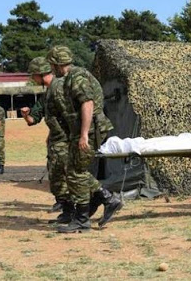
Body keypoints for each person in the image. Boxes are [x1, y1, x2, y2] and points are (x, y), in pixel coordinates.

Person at [46, 46, 122, 233]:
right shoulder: (71, 78)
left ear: (55, 64)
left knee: (75, 172)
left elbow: (87, 103)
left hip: (91, 131)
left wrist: (84, 135)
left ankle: (83, 218)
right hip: (85, 130)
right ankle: (103, 199)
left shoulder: (76, 77)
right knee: (75, 171)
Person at [21, 57, 73, 224]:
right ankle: (66, 210)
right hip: (57, 142)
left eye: (33, 75)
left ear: (39, 74)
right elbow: (32, 120)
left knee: (70, 176)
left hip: (68, 140)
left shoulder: (62, 89)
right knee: (57, 176)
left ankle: (78, 211)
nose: (32, 79)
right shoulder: (46, 96)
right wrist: (25, 115)